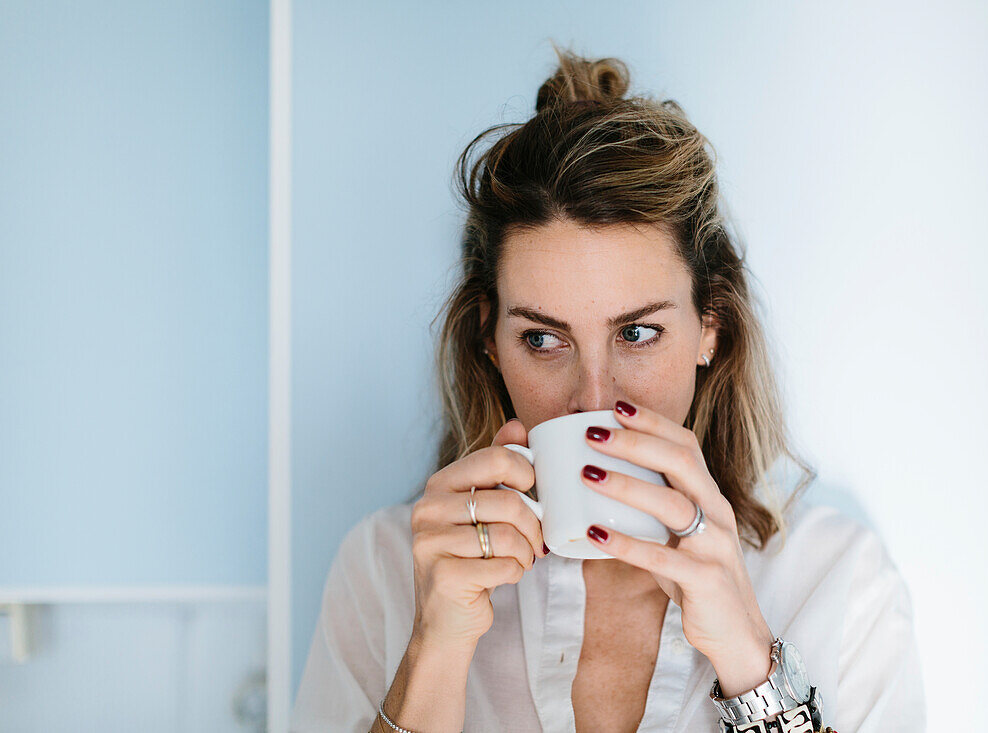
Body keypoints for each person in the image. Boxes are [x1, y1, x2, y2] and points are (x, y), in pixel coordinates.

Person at [290, 46, 925, 733]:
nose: (592, 399)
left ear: (710, 323)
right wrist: (433, 653)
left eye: (638, 333)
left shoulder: (837, 579)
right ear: (488, 340)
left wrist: (752, 663)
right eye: (542, 339)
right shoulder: (384, 569)